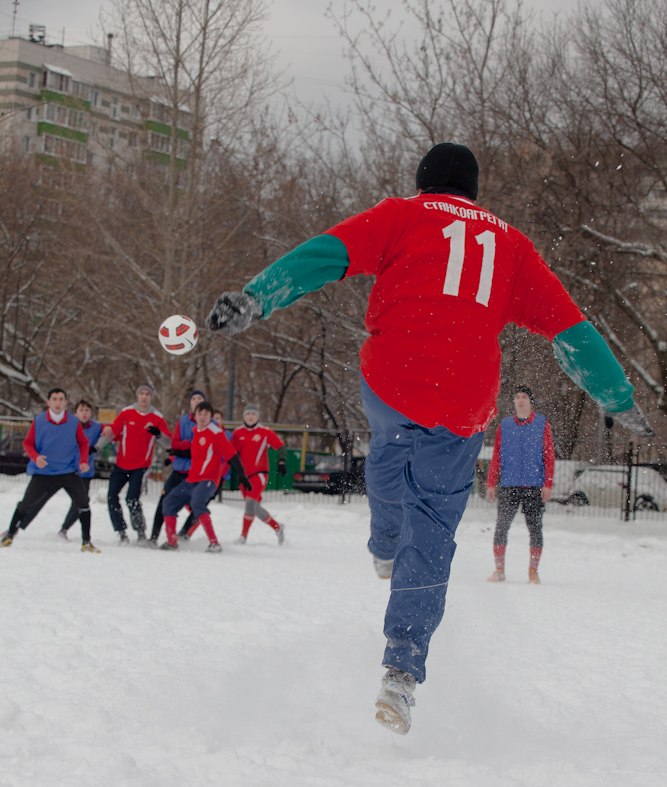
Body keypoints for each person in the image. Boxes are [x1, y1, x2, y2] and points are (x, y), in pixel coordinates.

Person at [205, 141, 654, 735]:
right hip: (462, 402)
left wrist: (256, 297)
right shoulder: (511, 246)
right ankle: (402, 670)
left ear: (424, 185)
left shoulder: (402, 215)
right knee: (435, 530)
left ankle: (384, 540)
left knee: (389, 455)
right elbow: (572, 331)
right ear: (473, 193)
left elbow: (324, 256)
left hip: (392, 380)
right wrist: (619, 399)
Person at [0, 388, 100, 552]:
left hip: (68, 471)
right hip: (44, 472)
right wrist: (36, 457)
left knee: (83, 503)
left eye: (61, 399)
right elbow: (28, 443)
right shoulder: (39, 421)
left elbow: (83, 443)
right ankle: (9, 536)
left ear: (66, 402)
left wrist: (83, 461)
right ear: (48, 402)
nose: (58, 403)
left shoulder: (73, 422)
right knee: (26, 504)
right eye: (54, 399)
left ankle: (86, 542)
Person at [161, 401, 251, 551]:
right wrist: (176, 454)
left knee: (197, 503)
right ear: (194, 416)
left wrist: (241, 474)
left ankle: (214, 543)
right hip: (191, 480)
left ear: (211, 417)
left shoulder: (216, 433)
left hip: (208, 480)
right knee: (169, 501)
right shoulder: (196, 431)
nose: (202, 417)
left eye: (206, 414)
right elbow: (196, 454)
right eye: (200, 414)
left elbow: (231, 454)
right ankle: (172, 541)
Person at [486, 386, 554, 584]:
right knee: (501, 527)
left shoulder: (542, 424)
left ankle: (533, 571)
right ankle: (499, 569)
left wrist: (547, 483)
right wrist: (492, 482)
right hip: (509, 484)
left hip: (534, 485)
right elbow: (496, 455)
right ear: (514, 401)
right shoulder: (505, 425)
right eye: (517, 397)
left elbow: (549, 456)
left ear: (530, 401)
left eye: (524, 397)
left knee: (535, 528)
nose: (521, 400)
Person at [100, 384, 171, 545]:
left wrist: (157, 434)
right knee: (112, 496)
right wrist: (96, 447)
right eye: (141, 394)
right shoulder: (126, 413)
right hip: (121, 464)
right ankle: (121, 531)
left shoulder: (157, 417)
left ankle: (140, 532)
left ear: (151, 397)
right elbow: (112, 433)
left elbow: (168, 444)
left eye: (147, 394)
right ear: (137, 396)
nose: (144, 397)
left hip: (141, 466)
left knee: (132, 498)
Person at [148, 389, 205, 545]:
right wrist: (180, 449)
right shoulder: (183, 421)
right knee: (164, 502)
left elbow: (205, 447)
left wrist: (187, 449)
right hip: (179, 471)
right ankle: (154, 537)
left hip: (197, 475)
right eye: (194, 398)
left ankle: (183, 535)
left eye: (200, 398)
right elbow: (174, 444)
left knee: (197, 507)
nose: (197, 401)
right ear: (190, 403)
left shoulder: (210, 424)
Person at [231, 403, 287, 545]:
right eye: (248, 413)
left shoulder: (265, 432)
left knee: (250, 505)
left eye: (253, 414)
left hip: (260, 474)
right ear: (243, 416)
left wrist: (282, 461)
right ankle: (277, 527)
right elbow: (232, 453)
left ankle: (243, 537)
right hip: (244, 476)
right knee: (254, 508)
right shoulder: (237, 433)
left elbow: (280, 446)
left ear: (258, 417)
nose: (250, 416)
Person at [58, 399, 103, 542]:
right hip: (65, 469)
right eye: (81, 410)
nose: (84, 413)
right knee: (40, 496)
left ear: (91, 413)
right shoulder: (68, 426)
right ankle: (18, 523)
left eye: (87, 410)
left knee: (81, 501)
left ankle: (64, 529)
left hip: (85, 472)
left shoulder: (96, 427)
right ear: (75, 413)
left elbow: (111, 431)